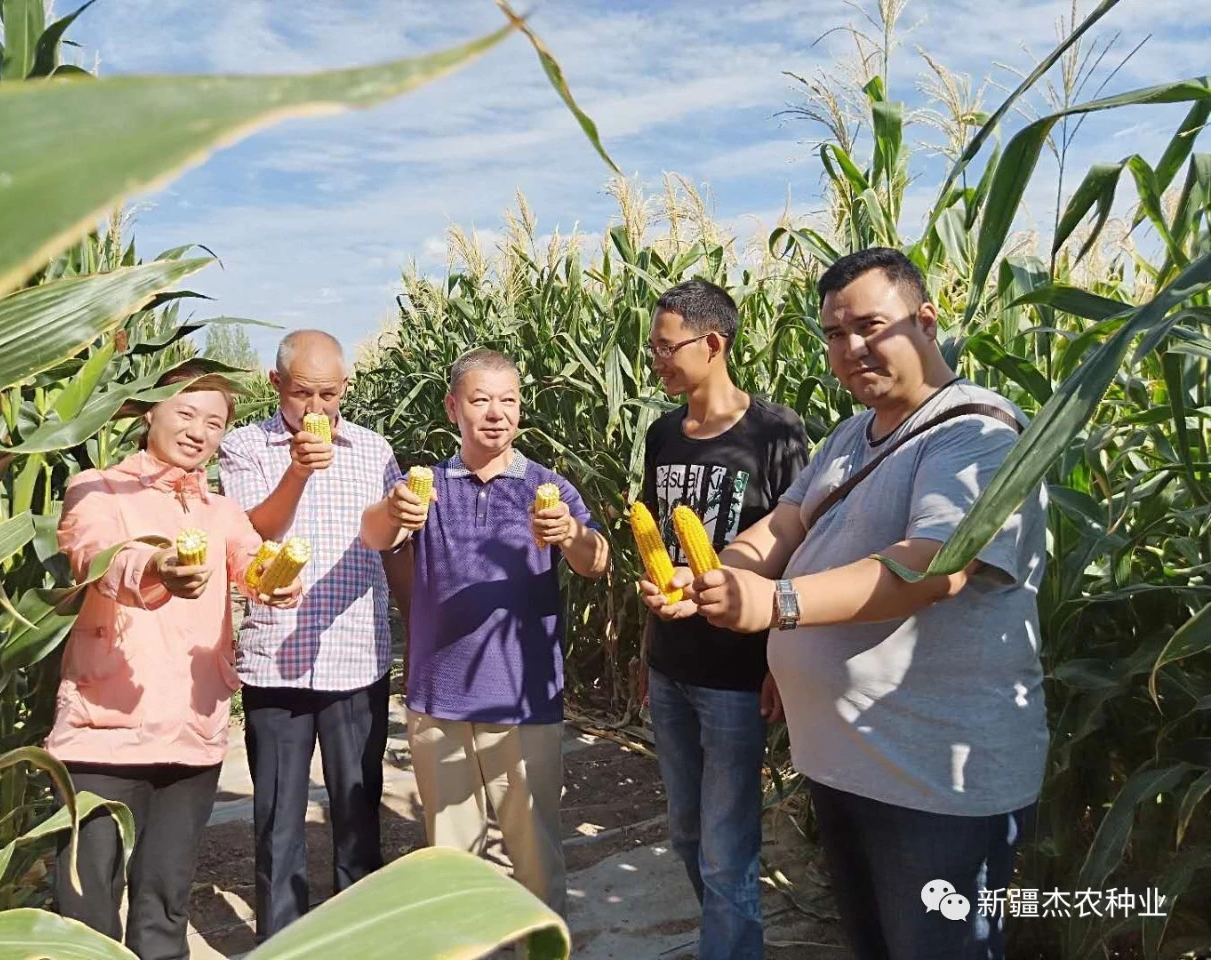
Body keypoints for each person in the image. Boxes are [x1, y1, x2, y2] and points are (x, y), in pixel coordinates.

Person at [643, 247, 1049, 960]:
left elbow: (937, 566)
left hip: (934, 786)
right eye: (834, 333)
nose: (851, 348)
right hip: (849, 769)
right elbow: (784, 525)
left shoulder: (977, 433)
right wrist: (712, 576)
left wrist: (778, 603)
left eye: (870, 325)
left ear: (925, 319)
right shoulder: (847, 438)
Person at [50, 362, 301, 960]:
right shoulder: (97, 488)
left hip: (193, 731)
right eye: (186, 413)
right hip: (103, 732)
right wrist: (157, 569)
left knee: (166, 907)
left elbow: (250, 557)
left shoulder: (219, 512)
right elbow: (95, 557)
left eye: (214, 423)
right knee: (86, 909)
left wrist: (275, 580)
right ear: (150, 413)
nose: (199, 432)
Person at [360, 348, 609, 916]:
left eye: (509, 400)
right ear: (453, 408)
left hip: (523, 700)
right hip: (438, 698)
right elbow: (374, 536)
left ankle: (541, 948)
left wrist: (570, 532)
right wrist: (395, 508)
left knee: (534, 852)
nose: (496, 413)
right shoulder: (426, 488)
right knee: (450, 855)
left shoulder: (547, 486)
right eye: (480, 400)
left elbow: (598, 560)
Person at [218, 330, 411, 942]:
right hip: (276, 661)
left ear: (345, 389)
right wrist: (298, 470)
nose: (317, 409)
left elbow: (392, 545)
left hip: (355, 657)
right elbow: (251, 532)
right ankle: (282, 944)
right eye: (303, 393)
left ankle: (354, 939)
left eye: (329, 394)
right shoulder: (245, 448)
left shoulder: (375, 449)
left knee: (357, 813)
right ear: (277, 386)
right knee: (277, 820)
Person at [639, 278, 809, 960]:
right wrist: (644, 654)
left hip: (737, 675)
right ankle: (728, 942)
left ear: (713, 344)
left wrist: (781, 660)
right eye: (650, 348)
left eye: (665, 347)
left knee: (726, 844)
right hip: (671, 665)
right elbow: (656, 547)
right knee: (685, 831)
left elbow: (801, 542)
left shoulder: (776, 430)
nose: (656, 361)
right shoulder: (660, 434)